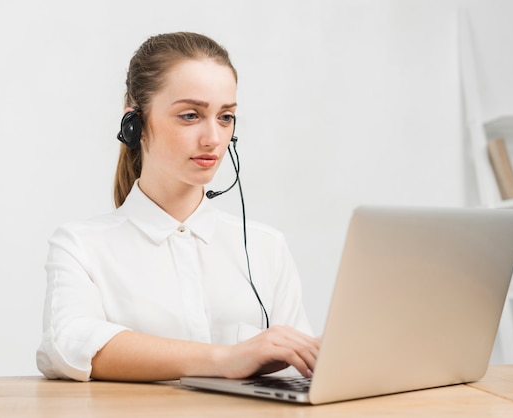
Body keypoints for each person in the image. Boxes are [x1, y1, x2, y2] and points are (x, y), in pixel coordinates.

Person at [36, 32, 318, 382]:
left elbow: (302, 365)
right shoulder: (81, 246)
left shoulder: (267, 247)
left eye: (225, 117)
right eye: (190, 115)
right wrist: (227, 359)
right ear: (134, 124)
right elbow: (68, 345)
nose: (213, 138)